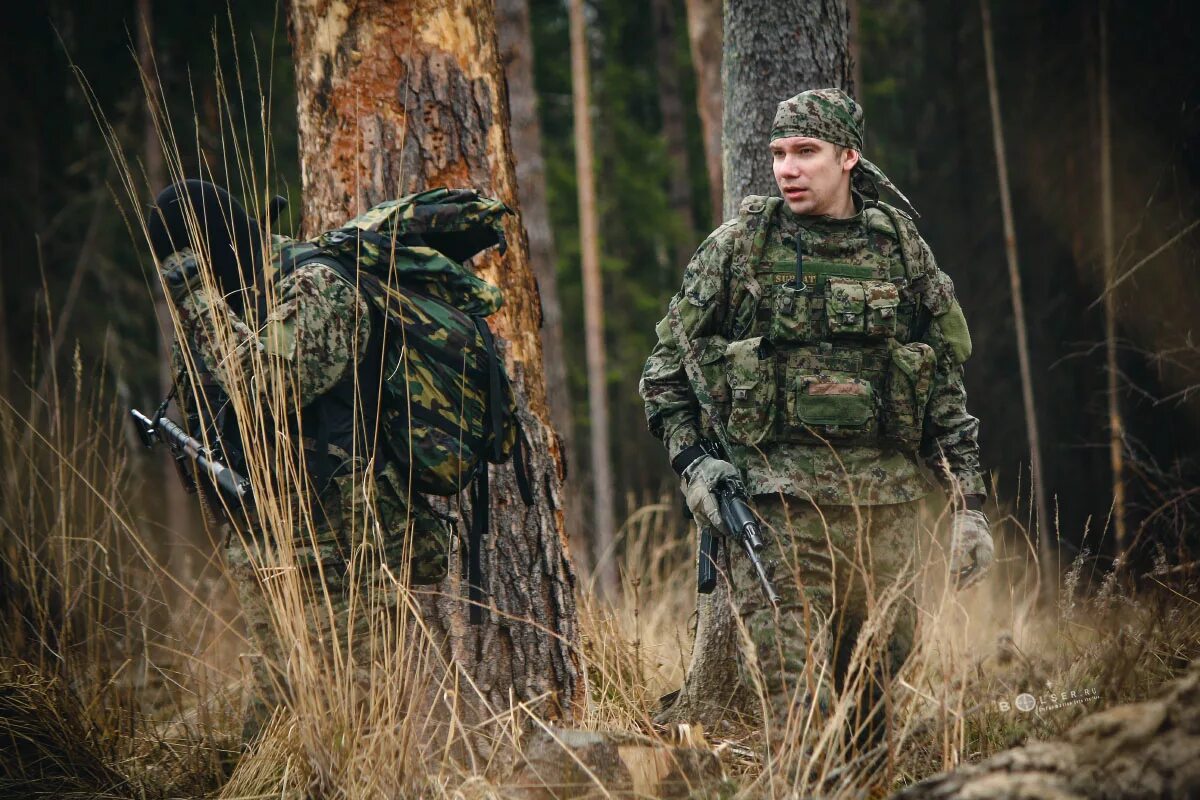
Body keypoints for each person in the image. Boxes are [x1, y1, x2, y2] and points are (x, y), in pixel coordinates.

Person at [640, 89, 993, 748]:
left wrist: (968, 504)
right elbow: (664, 372)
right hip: (777, 516)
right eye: (778, 153)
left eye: (805, 152)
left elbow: (943, 384)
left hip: (887, 517)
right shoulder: (741, 247)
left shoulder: (898, 246)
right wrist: (696, 467)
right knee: (798, 714)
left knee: (872, 714)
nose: (787, 168)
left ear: (848, 156)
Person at [147, 180, 450, 741]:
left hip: (342, 549)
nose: (181, 275)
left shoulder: (316, 287)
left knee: (360, 718)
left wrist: (195, 295)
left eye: (187, 258)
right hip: (264, 547)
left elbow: (267, 386)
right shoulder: (224, 308)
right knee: (278, 716)